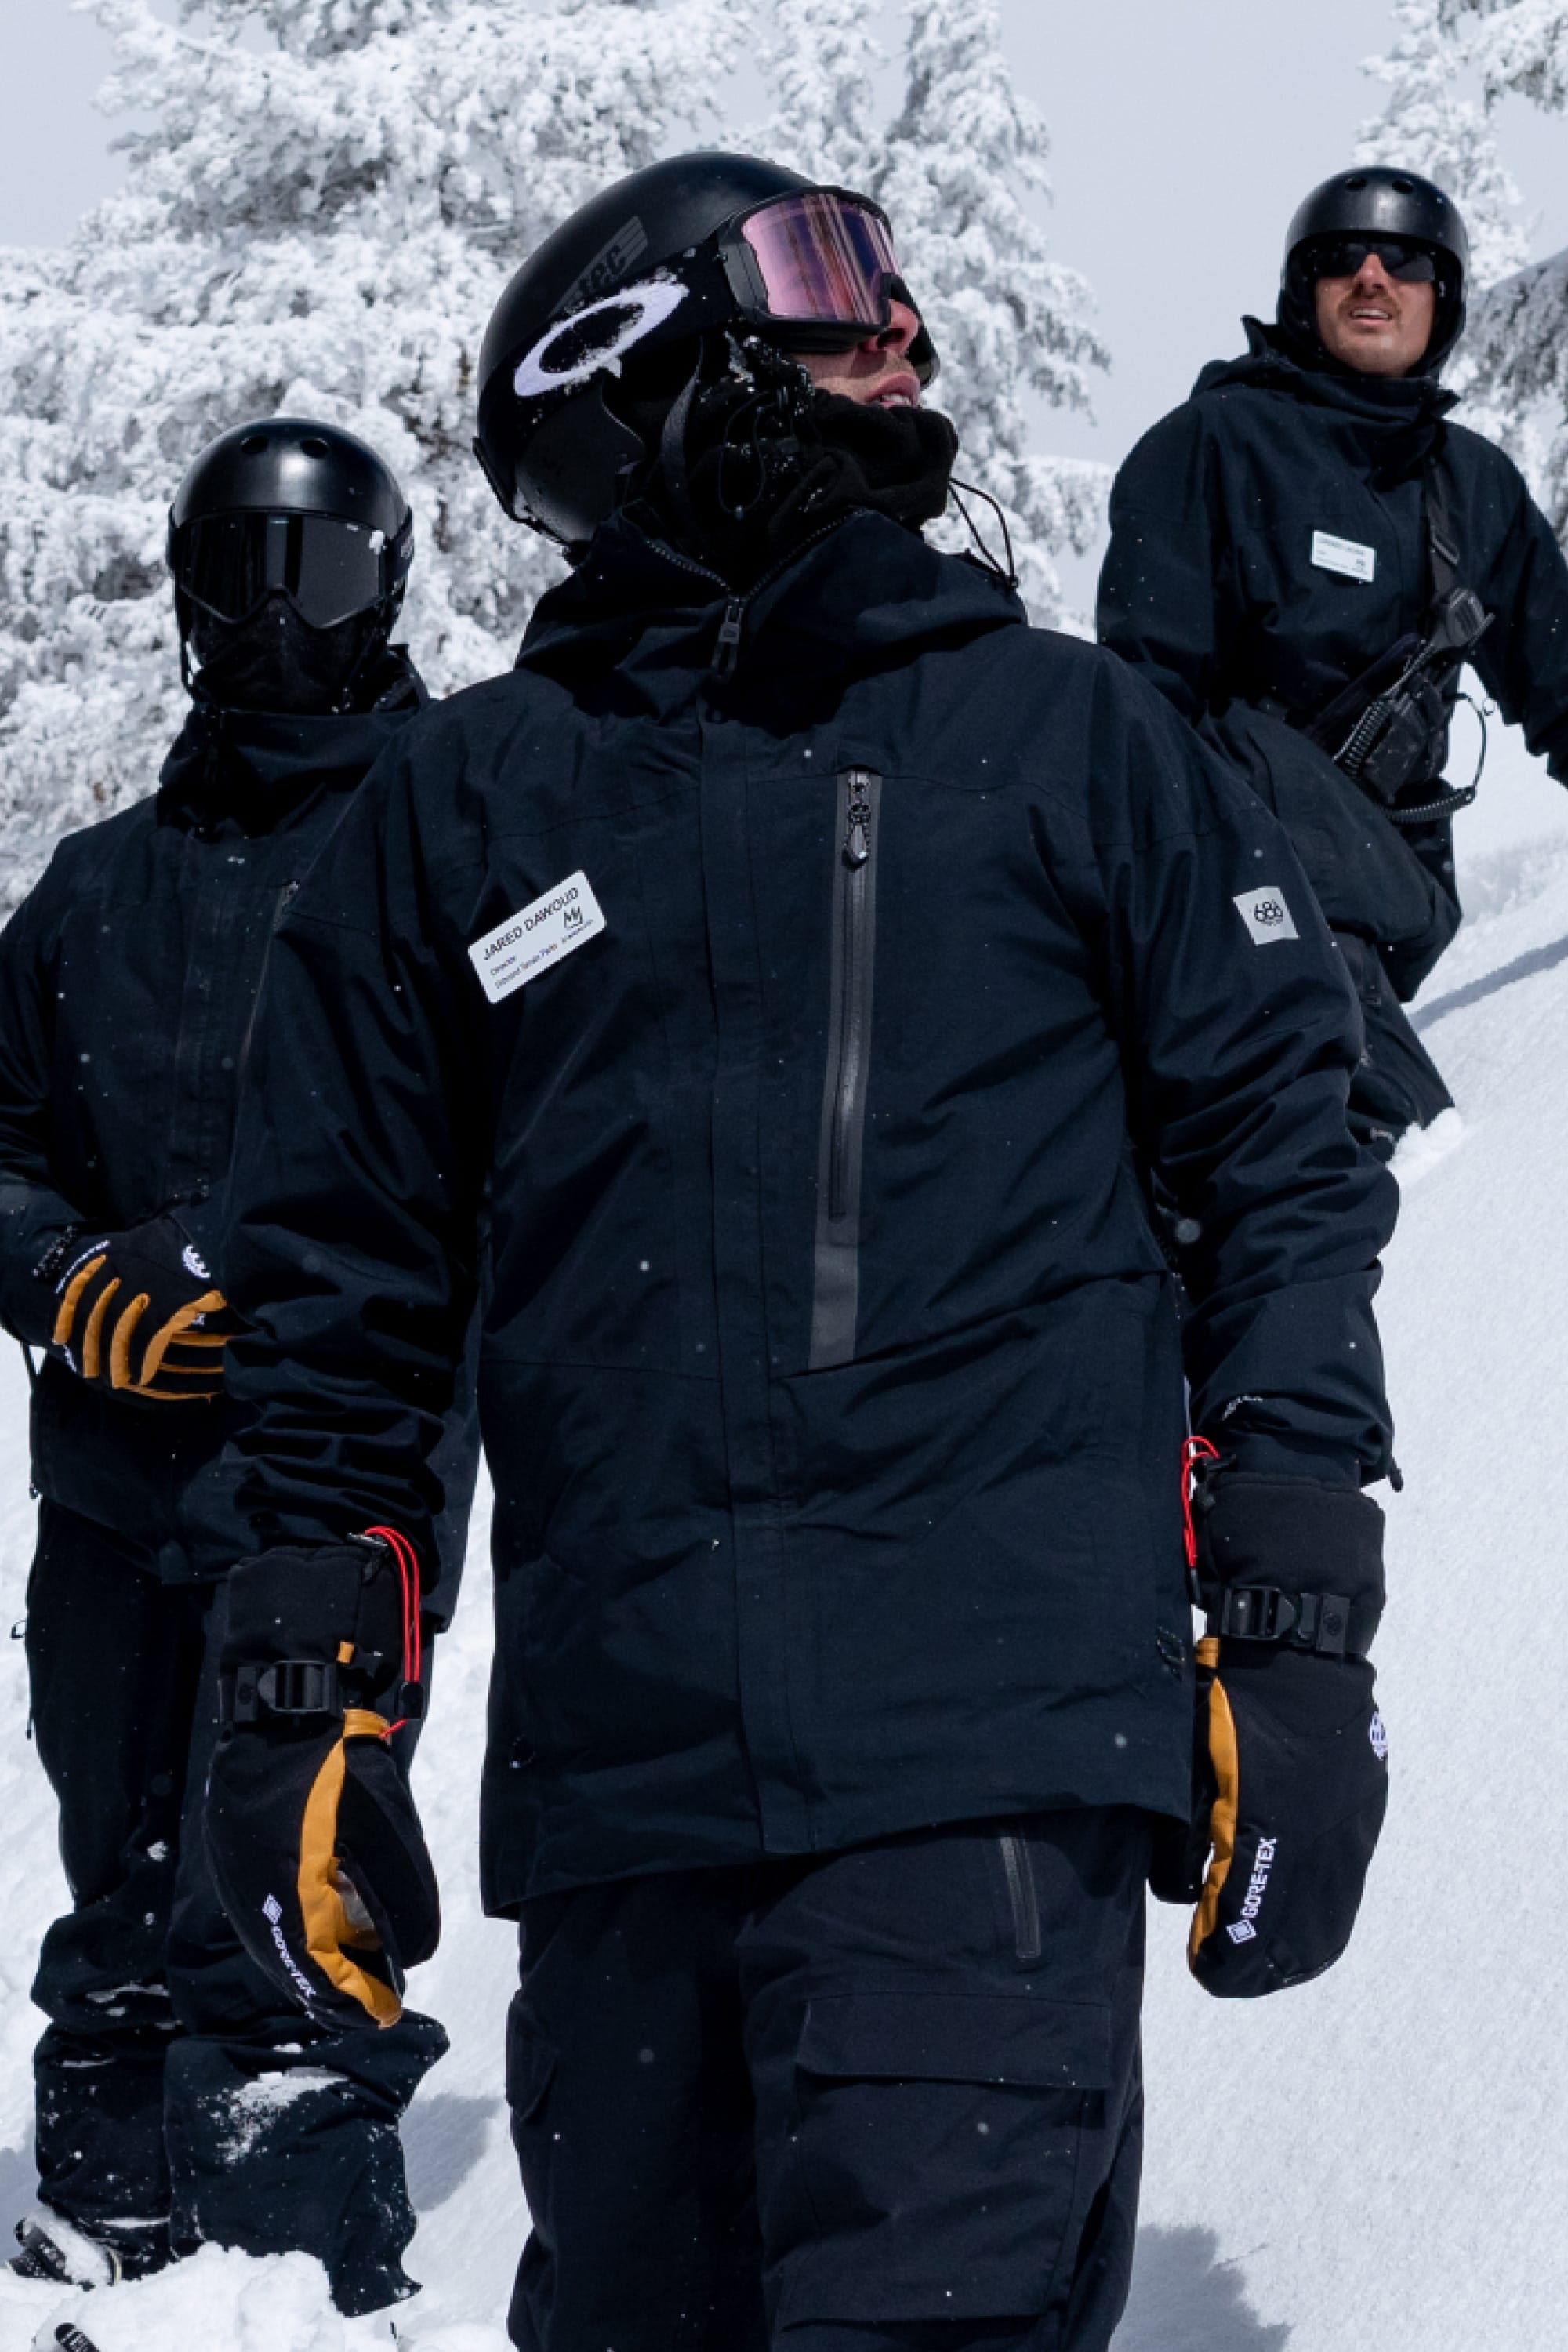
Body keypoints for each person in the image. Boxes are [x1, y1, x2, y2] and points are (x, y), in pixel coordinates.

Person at [205, 155, 1398, 2352]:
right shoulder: (467, 816)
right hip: (628, 1804)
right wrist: (307, 1711)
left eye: (891, 279)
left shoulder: (1073, 745)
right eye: (823, 280)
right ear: (634, 372)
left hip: (983, 1784)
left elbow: (1287, 1174)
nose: (900, 332)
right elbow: (342, 1310)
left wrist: (1299, 1621)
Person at [0, 418, 476, 2319]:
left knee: (287, 1893)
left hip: (332, 1485)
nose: (280, 618)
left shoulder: (448, 827)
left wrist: (248, 1255)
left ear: (384, 589)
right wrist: (52, 1269)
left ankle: (286, 2287)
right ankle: (101, 2248)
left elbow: (518, 1122)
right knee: (115, 1887)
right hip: (112, 1497)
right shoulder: (96, 886)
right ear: (189, 600)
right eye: (241, 576)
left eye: (325, 576)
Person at [1098, 164, 1568, 1160]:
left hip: (1387, 883)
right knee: (1375, 1139)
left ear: (1440, 301)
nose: (1370, 277)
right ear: (1298, 294)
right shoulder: (1209, 447)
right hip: (1232, 876)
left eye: (1404, 260)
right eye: (1337, 260)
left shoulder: (1469, 483)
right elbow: (1141, 716)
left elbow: (1564, 683)